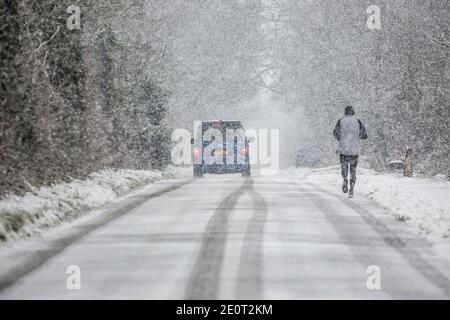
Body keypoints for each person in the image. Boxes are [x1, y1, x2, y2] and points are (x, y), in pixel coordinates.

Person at [333, 106, 368, 198]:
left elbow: (335, 133)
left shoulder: (340, 121)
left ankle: (345, 179)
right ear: (353, 112)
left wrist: (341, 138)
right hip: (354, 150)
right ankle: (351, 189)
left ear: (345, 112)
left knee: (344, 168)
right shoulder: (357, 121)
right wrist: (356, 136)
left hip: (344, 149)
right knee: (353, 170)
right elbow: (364, 135)